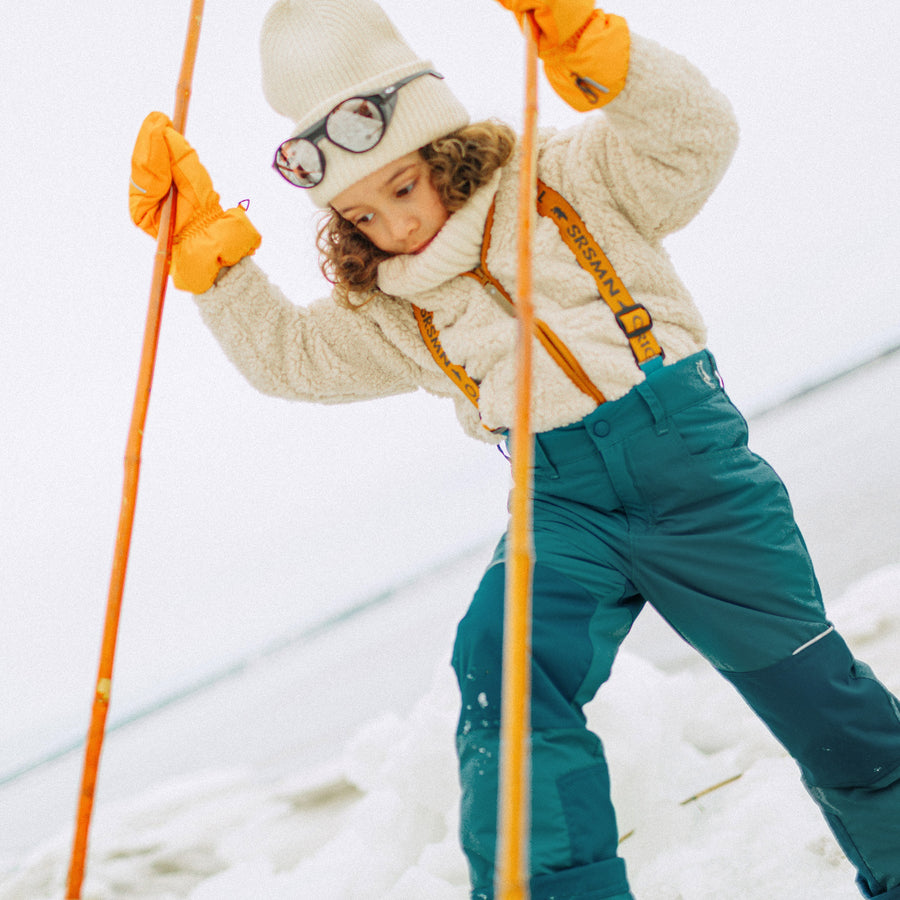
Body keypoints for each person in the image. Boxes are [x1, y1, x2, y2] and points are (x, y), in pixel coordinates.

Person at [128, 1, 900, 897]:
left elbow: (696, 137)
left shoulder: (567, 176)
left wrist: (607, 60)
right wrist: (209, 258)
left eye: (403, 189)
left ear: (443, 148)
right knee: (501, 677)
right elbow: (288, 358)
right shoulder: (393, 309)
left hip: (694, 475)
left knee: (822, 704)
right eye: (362, 216)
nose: (396, 228)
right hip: (562, 505)